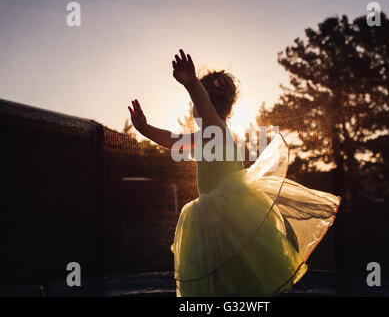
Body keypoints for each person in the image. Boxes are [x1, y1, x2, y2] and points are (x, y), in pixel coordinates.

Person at [128, 49, 341, 296]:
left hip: (228, 211)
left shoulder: (214, 125)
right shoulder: (207, 134)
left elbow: (204, 106)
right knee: (223, 274)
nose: (194, 108)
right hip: (213, 214)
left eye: (197, 103)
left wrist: (192, 83)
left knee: (236, 273)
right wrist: (144, 129)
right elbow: (173, 141)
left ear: (206, 103)